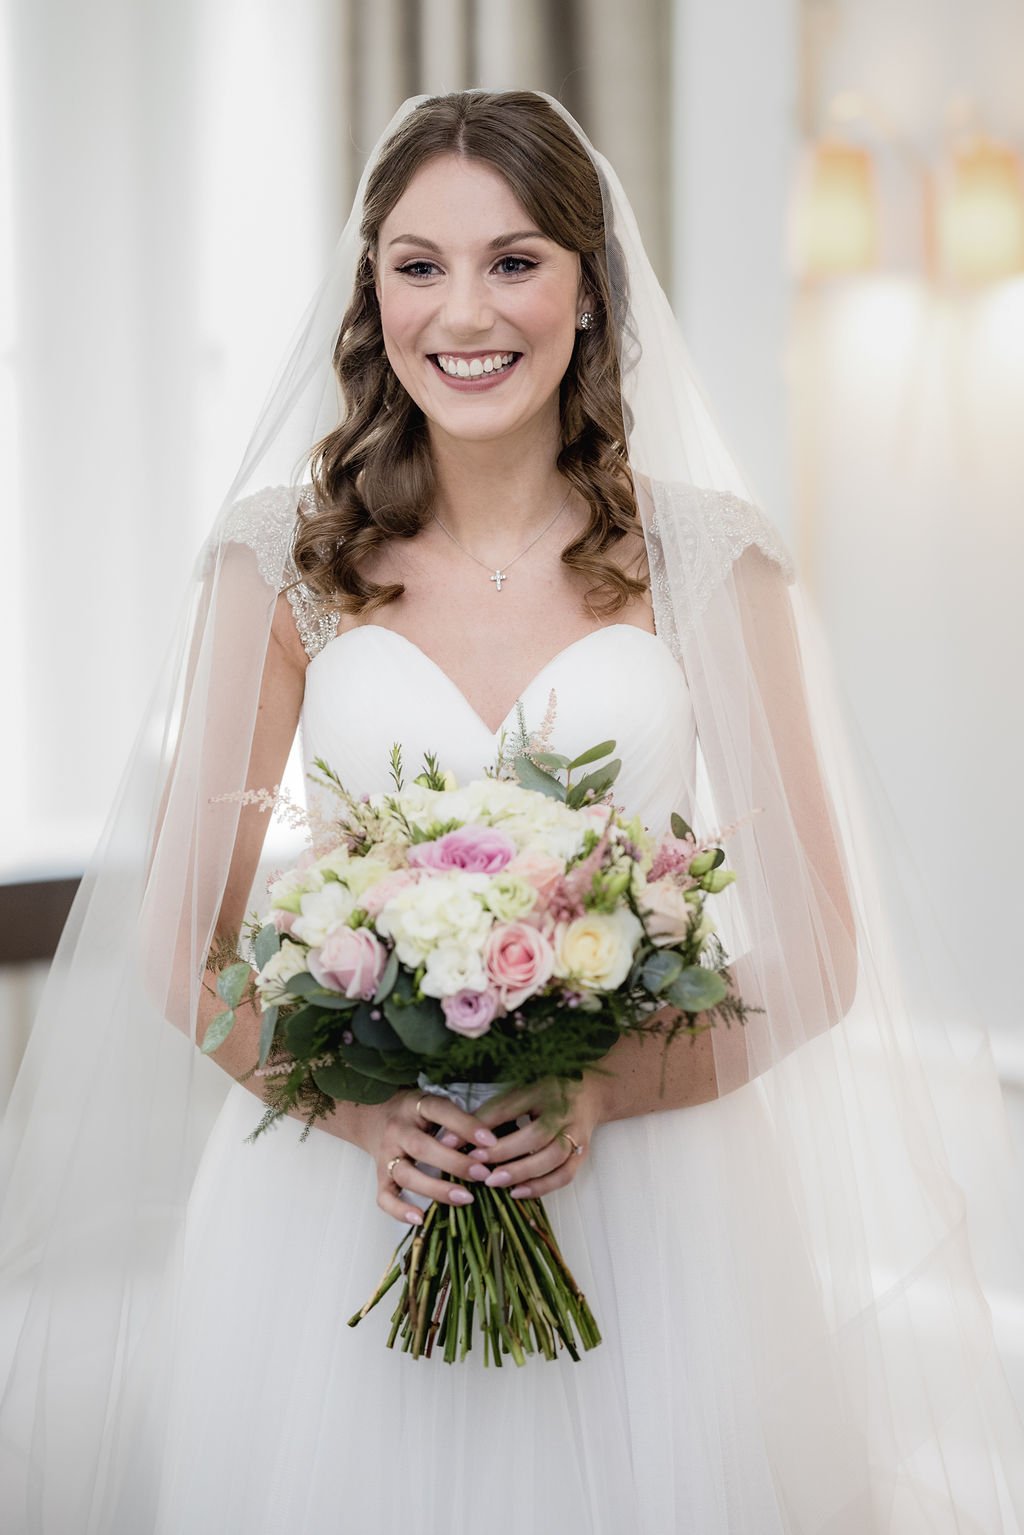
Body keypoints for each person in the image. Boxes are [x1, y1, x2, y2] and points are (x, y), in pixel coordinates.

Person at [3, 88, 1024, 1534]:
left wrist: (609, 1086)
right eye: (418, 263)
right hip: (342, 1224)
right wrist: (359, 1122)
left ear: (590, 289)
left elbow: (817, 955)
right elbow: (182, 939)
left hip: (659, 1218)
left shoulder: (712, 566)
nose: (463, 311)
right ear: (372, 293)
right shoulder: (277, 569)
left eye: (515, 259)